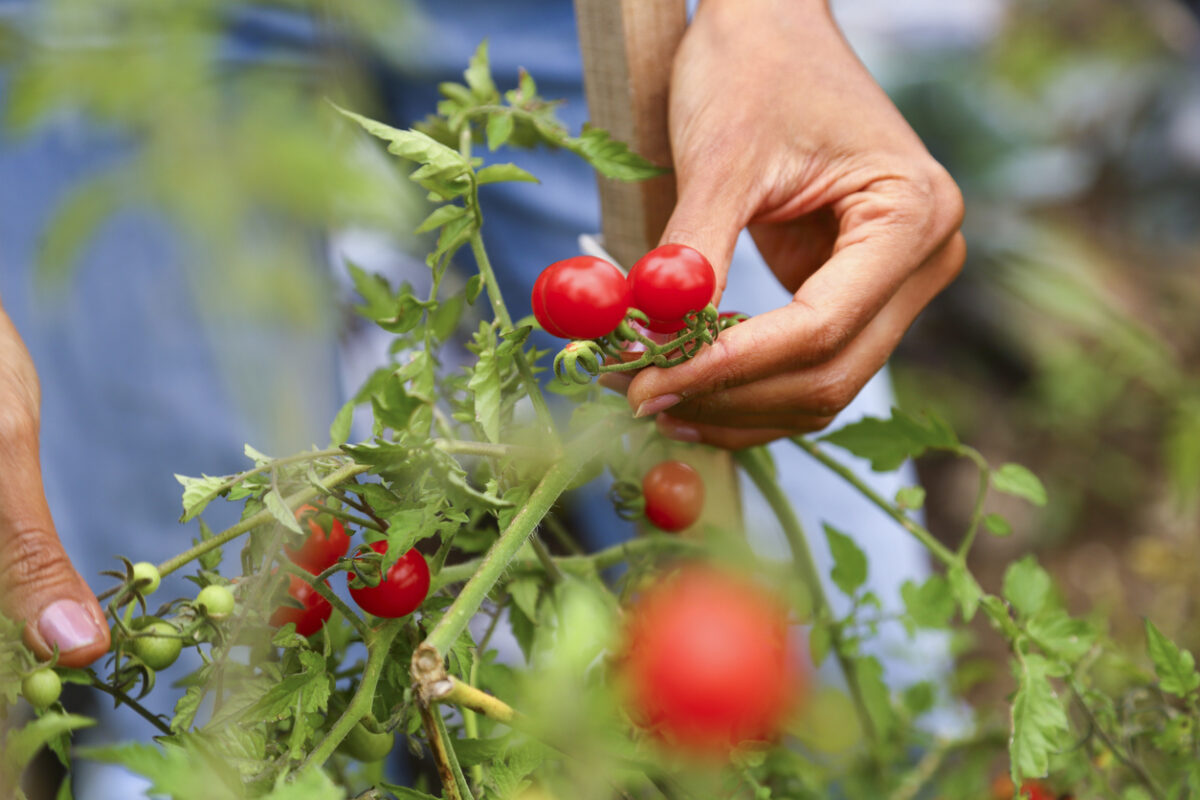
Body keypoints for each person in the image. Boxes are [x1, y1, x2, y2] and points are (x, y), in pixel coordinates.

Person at [0, 0, 964, 748]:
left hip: (557, 13)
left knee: (847, 665)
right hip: (112, 33)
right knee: (224, 709)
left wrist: (770, 16)